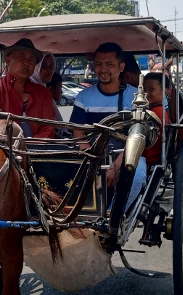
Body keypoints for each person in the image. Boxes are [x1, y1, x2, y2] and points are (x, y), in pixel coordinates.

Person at [69, 42, 144, 212]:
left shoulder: (135, 97)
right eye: (99, 64)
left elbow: (138, 135)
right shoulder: (84, 97)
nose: (103, 69)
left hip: (128, 155)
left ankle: (114, 217)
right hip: (92, 154)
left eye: (109, 64)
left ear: (121, 67)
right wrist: (92, 159)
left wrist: (118, 164)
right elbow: (78, 132)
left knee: (137, 175)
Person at [0, 38, 56, 138]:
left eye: (31, 59)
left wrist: (31, 147)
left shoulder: (43, 93)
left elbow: (49, 128)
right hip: (4, 150)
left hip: (38, 150)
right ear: (7, 60)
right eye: (21, 57)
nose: (26, 63)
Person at [141, 72, 171, 166]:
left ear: (165, 92)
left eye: (151, 89)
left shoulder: (156, 113)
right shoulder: (158, 110)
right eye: (144, 89)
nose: (146, 93)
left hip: (147, 159)